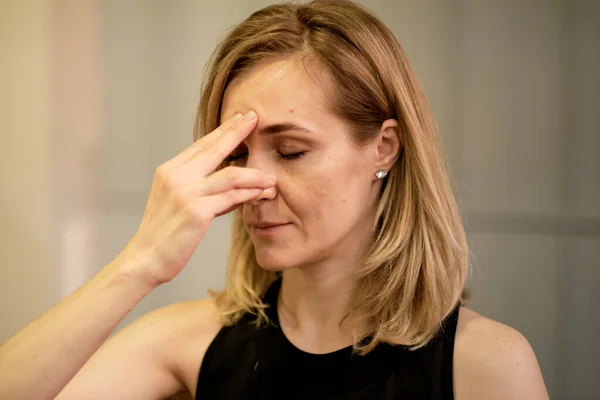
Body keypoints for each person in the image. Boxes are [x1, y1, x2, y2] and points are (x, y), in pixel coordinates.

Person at [0, 1, 549, 399]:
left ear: (384, 147)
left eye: (289, 151)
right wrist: (138, 264)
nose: (253, 184)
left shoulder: (486, 365)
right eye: (238, 155)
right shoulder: (190, 343)